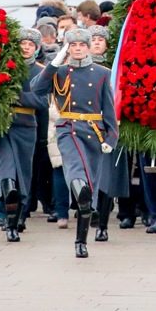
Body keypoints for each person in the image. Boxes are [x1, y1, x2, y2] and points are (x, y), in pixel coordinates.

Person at [30, 28, 118, 258]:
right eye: (73, 46)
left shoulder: (102, 73)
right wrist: (53, 65)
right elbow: (37, 88)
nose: (78, 49)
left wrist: (111, 137)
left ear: (88, 47)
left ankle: (81, 240)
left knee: (89, 187)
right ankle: (81, 193)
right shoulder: (59, 72)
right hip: (68, 129)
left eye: (81, 45)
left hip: (94, 133)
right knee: (76, 170)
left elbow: (108, 108)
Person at [0, 28, 47, 242]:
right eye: (22, 43)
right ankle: (10, 218)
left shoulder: (41, 71)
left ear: (36, 48)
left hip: (25, 125)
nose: (25, 47)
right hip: (1, 125)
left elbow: (42, 102)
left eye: (30, 44)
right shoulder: (4, 67)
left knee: (23, 173)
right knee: (6, 170)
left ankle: (21, 213)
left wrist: (17, 97)